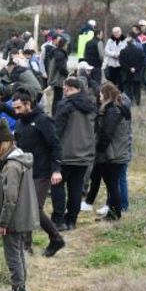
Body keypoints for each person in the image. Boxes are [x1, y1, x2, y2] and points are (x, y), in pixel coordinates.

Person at [9, 90, 65, 257]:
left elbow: (55, 145)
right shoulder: (20, 123)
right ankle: (26, 247)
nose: (16, 111)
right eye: (15, 108)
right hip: (25, 171)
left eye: (19, 107)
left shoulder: (43, 120)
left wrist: (56, 170)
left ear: (28, 104)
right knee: (24, 207)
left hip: (42, 171)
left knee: (34, 208)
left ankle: (56, 239)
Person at [0, 121, 39, 291]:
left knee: (12, 254)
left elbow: (10, 197)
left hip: (13, 217)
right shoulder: (20, 159)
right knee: (18, 251)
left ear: (3, 143)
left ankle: (18, 289)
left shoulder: (11, 165)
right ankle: (21, 286)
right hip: (22, 215)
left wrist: (3, 221)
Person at [50, 78, 97, 231]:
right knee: (76, 187)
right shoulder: (91, 106)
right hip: (84, 154)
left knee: (57, 186)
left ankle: (58, 219)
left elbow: (56, 130)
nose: (63, 91)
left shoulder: (65, 105)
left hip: (65, 153)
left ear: (69, 88)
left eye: (65, 88)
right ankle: (72, 220)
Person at [82, 83, 131, 221]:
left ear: (107, 94)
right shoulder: (118, 108)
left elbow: (106, 133)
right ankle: (112, 212)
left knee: (112, 184)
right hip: (116, 152)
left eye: (101, 93)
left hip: (113, 154)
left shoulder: (112, 111)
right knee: (110, 183)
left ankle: (115, 214)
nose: (99, 96)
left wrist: (99, 149)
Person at [119, 32, 145, 106]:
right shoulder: (139, 51)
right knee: (137, 88)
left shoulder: (123, 51)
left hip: (126, 74)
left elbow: (121, 63)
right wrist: (135, 68)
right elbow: (142, 62)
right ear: (133, 42)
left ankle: (129, 103)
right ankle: (137, 102)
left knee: (127, 89)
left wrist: (129, 68)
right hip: (136, 73)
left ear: (126, 43)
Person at [47, 37, 69, 115]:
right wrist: (67, 74)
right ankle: (56, 114)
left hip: (53, 78)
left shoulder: (55, 52)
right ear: (64, 45)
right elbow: (61, 67)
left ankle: (54, 113)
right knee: (58, 98)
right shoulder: (60, 54)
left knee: (56, 98)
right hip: (58, 79)